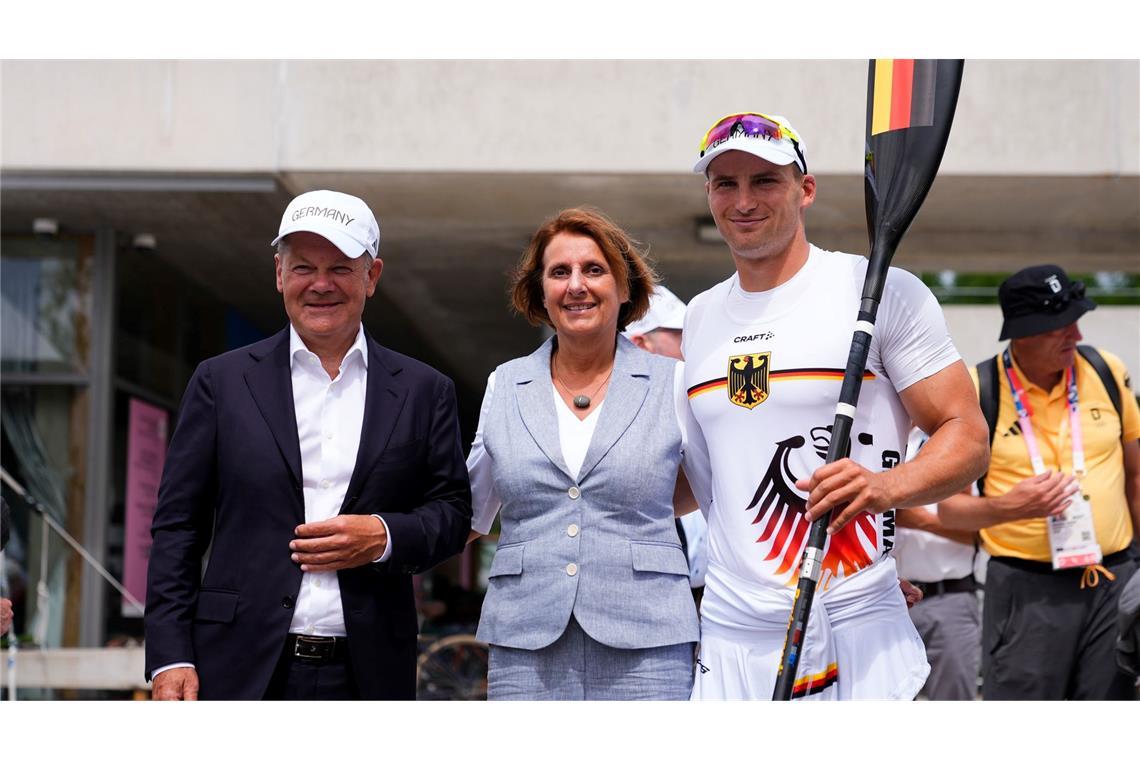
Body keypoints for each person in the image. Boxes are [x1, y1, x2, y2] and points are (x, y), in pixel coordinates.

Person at [680, 112, 988, 700]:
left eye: (765, 180)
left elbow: (967, 437)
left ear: (806, 189)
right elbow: (702, 479)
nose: (743, 200)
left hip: (853, 619)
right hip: (731, 631)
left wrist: (886, 489)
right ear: (709, 195)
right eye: (726, 183)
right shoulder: (699, 318)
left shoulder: (878, 290)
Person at [144, 190, 472, 700]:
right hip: (238, 667)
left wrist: (382, 535)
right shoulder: (221, 382)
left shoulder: (424, 390)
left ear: (372, 276)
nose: (320, 284)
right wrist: (170, 655)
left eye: (341, 267)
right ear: (279, 275)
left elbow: (452, 513)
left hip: (369, 673)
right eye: (303, 268)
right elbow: (177, 526)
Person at [467, 207, 701, 700]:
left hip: (649, 642)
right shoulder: (504, 384)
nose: (576, 285)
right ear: (540, 292)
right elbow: (469, 510)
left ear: (624, 287)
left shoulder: (673, 383)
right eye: (559, 272)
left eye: (594, 270)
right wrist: (386, 544)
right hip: (524, 641)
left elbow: (721, 498)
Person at [937, 264, 1140, 700]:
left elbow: (1136, 475)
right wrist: (1009, 507)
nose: (1077, 337)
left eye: (1076, 323)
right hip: (1026, 592)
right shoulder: (977, 389)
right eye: (1060, 328)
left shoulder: (1106, 370)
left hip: (1114, 577)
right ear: (1023, 333)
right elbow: (949, 508)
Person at [623, 285, 709, 595]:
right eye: (680, 336)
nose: (692, 347)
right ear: (641, 344)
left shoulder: (695, 409)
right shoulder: (617, 428)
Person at [893, 427, 981, 700]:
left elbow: (992, 533)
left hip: (948, 602)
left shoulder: (965, 443)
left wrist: (919, 520)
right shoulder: (884, 438)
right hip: (885, 601)